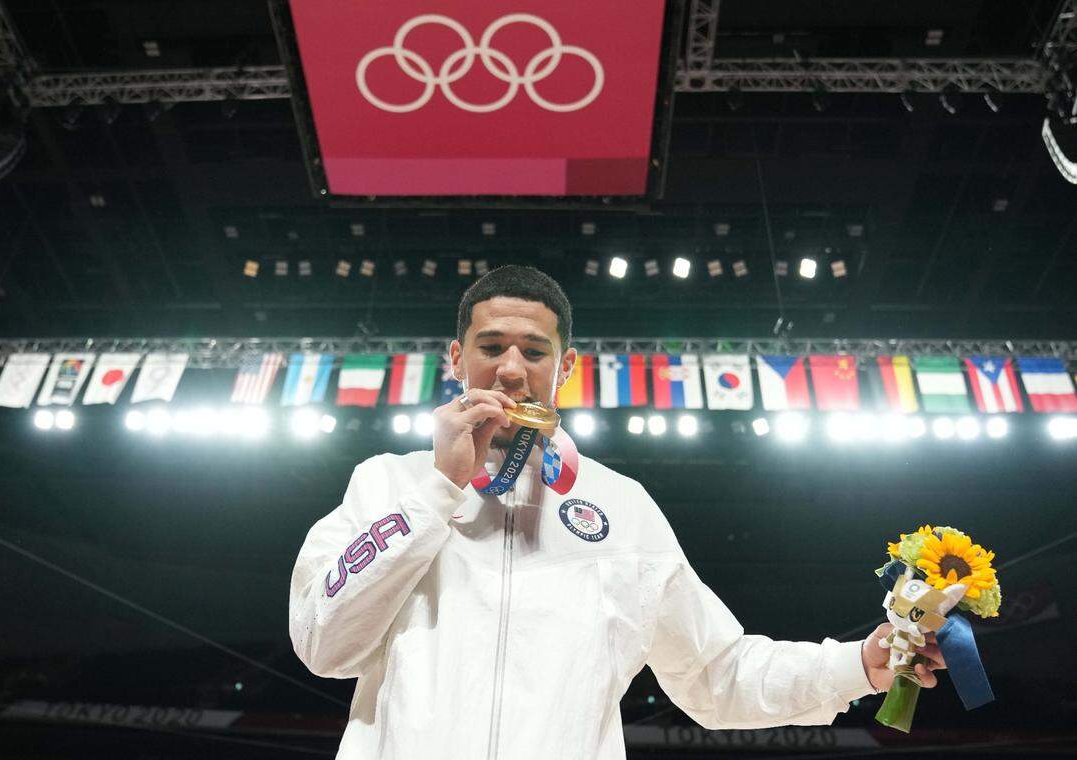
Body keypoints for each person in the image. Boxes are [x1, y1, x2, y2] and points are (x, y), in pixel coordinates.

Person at [289, 265, 946, 758]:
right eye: (490, 347)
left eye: (534, 351)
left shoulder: (622, 509)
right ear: (457, 360)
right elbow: (324, 644)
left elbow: (714, 673)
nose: (511, 370)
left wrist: (856, 665)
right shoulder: (386, 485)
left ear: (566, 366)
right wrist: (437, 490)